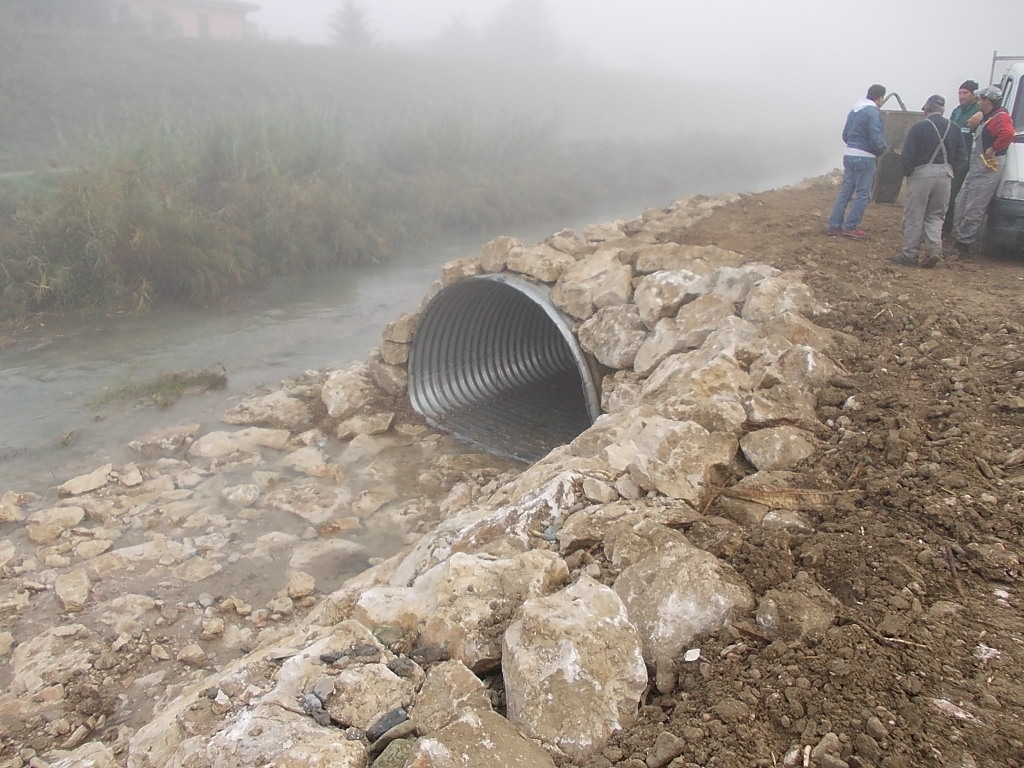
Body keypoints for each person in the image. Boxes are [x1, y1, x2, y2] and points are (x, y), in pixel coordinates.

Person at [892, 95, 966, 268]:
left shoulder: (919, 127)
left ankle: (909, 254)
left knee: (915, 215)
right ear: (942, 111)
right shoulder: (954, 127)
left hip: (922, 174)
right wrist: (950, 169)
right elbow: (963, 157)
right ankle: (933, 251)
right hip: (946, 174)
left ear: (926, 110)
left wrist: (908, 173)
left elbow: (907, 155)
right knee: (936, 216)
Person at [952, 85, 1016, 258]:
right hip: (979, 166)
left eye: (981, 99)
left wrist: (994, 149)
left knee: (975, 205)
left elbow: (1008, 133)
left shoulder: (1000, 118)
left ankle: (964, 245)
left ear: (988, 101)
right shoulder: (990, 116)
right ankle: (961, 238)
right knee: (967, 201)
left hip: (988, 167)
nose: (978, 102)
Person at [827, 84, 888, 239]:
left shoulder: (854, 110)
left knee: (845, 191)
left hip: (849, 154)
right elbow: (875, 136)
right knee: (863, 194)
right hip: (865, 157)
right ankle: (851, 227)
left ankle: (835, 225)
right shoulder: (872, 113)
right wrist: (882, 150)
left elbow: (845, 134)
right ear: (880, 98)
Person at [942, 80, 980, 238]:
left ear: (973, 95)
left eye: (965, 93)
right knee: (949, 192)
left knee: (970, 196)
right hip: (955, 158)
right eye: (960, 93)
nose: (961, 96)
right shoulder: (957, 111)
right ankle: (945, 228)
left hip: (973, 158)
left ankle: (966, 232)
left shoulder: (979, 110)